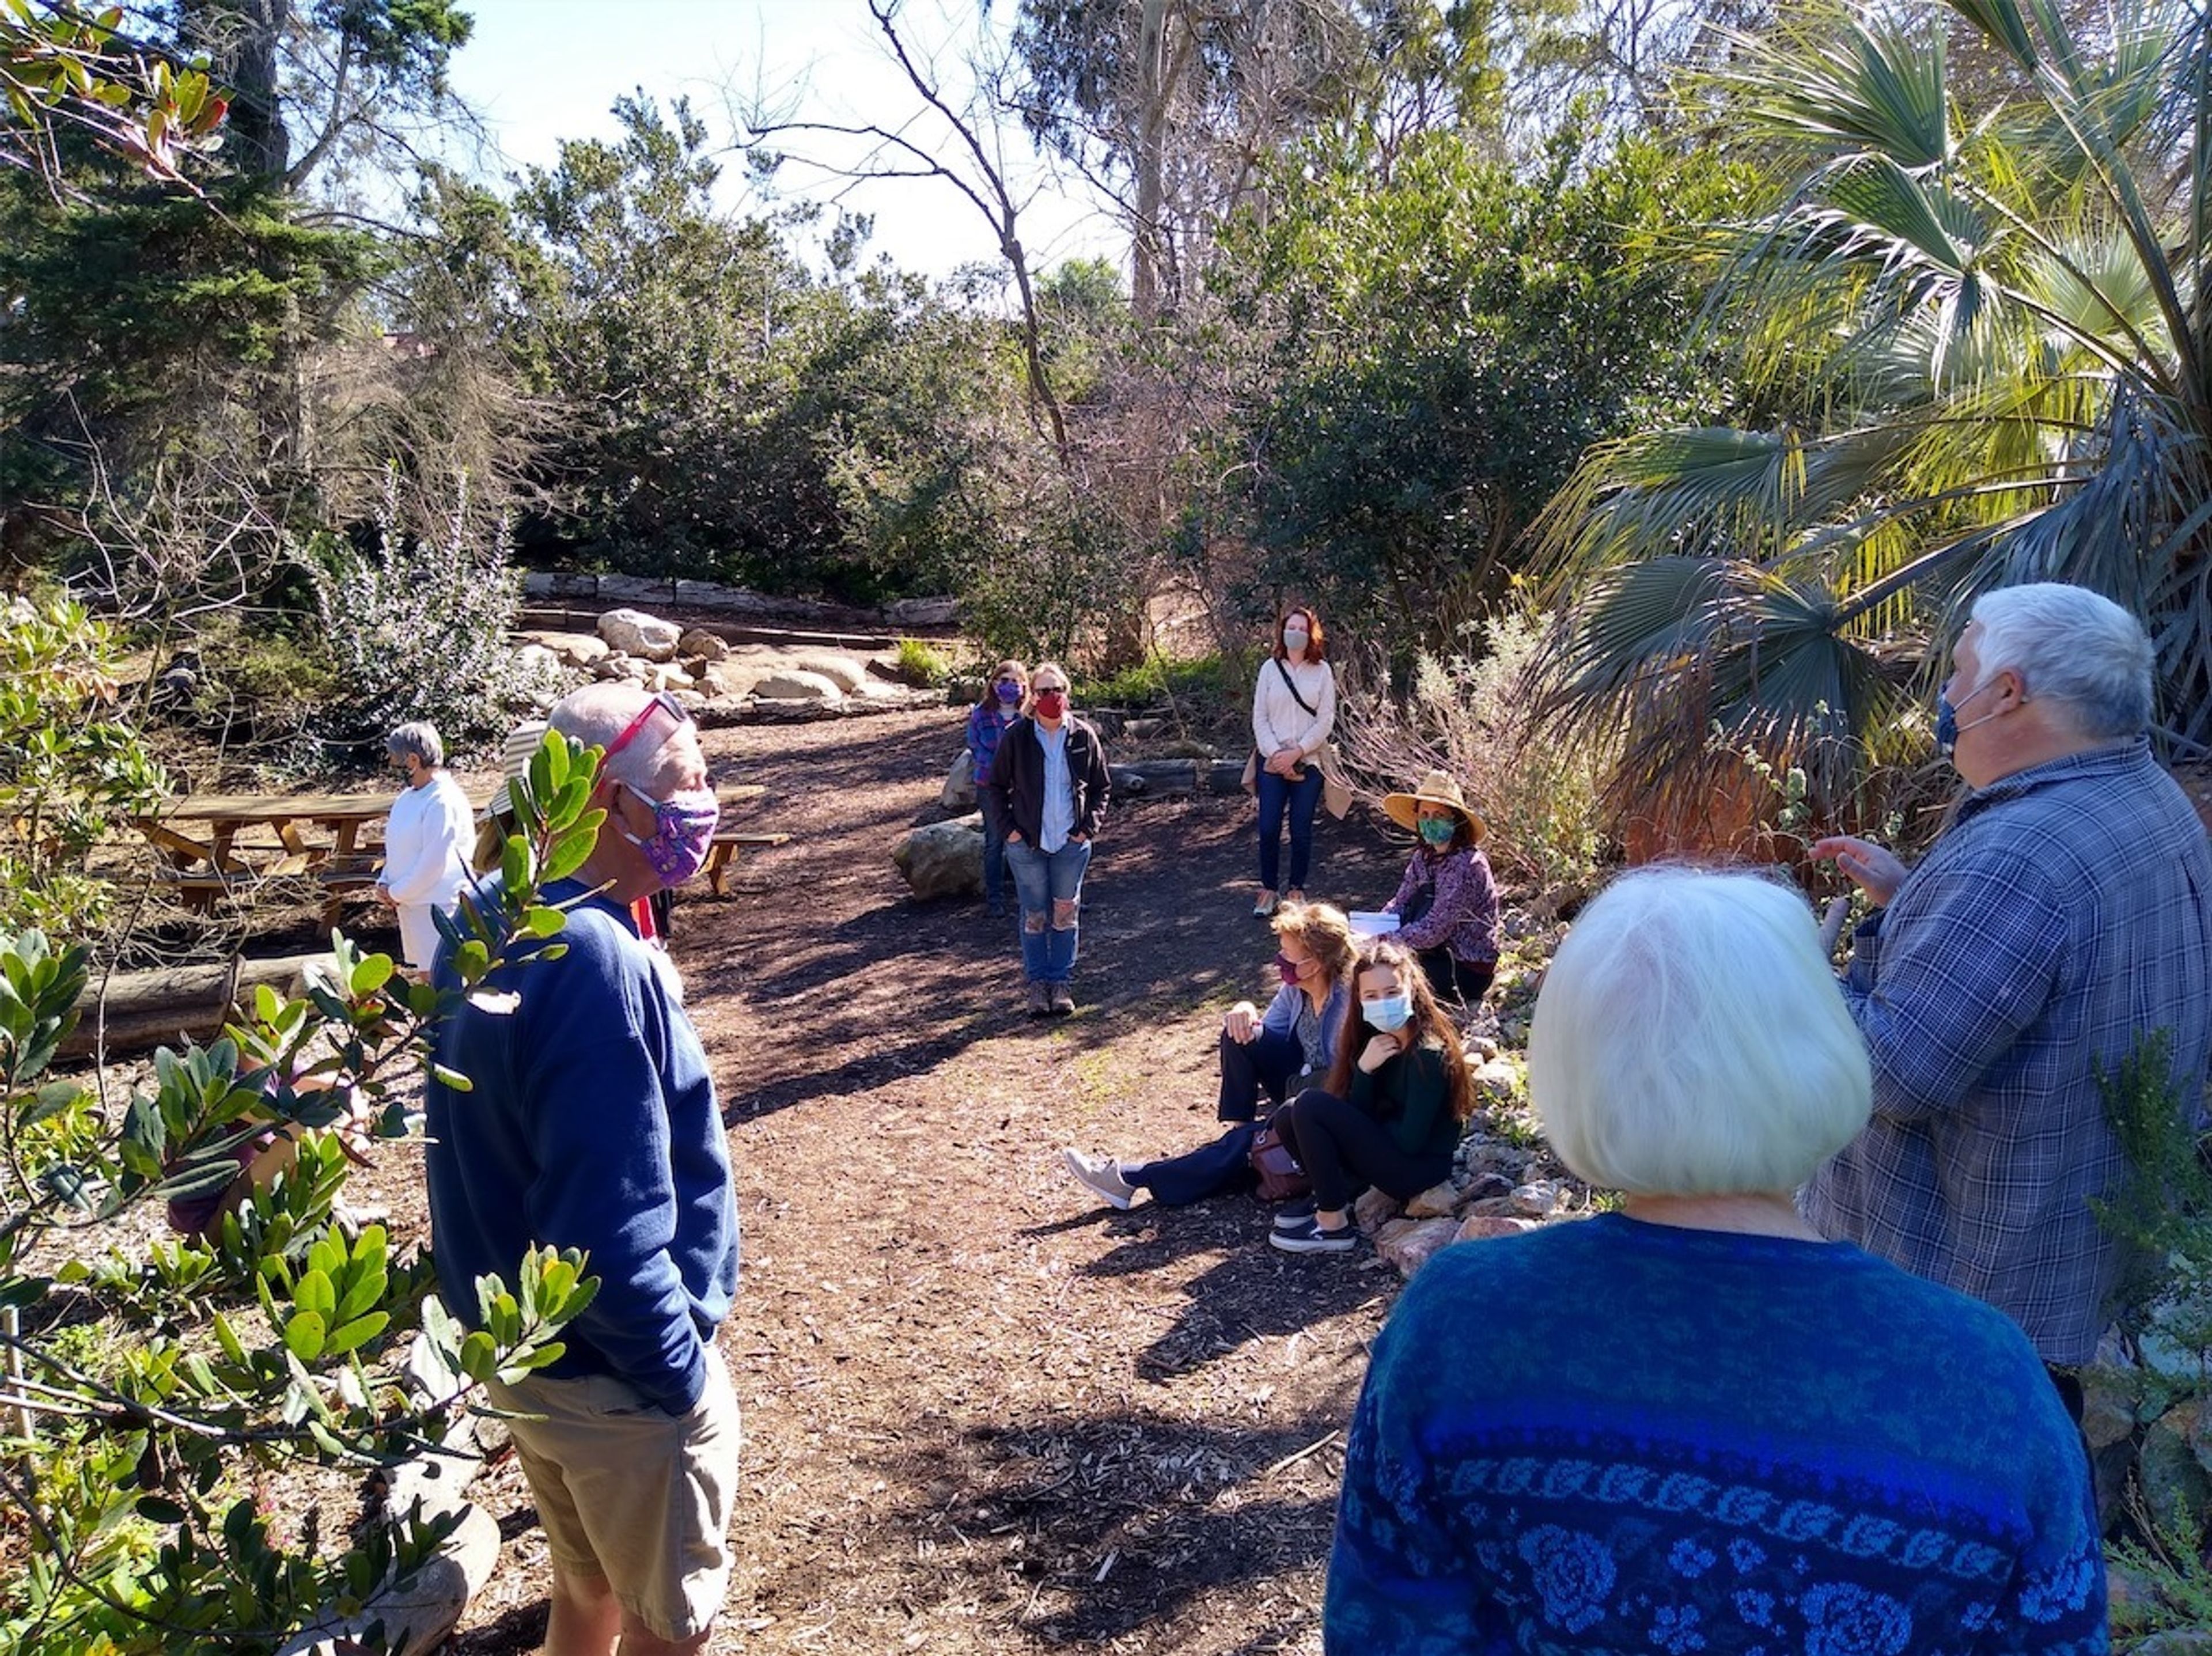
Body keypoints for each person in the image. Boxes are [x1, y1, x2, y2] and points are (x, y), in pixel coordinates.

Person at [1324, 868, 2107, 1653]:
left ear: (1571, 1070)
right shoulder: (1989, 1376)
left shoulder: (1457, 1321)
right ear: (1827, 1050)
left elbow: (1384, 1623)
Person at [1802, 581, 2212, 1393]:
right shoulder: (2149, 794)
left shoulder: (2016, 858)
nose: (1948, 697)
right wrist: (1916, 894)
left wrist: (1793, 970)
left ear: (2006, 692)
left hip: (1966, 1293)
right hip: (2083, 1255)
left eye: (1957, 675)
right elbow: (2058, 960)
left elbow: (1895, 1073)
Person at [422, 684, 738, 1656]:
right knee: (664, 1626)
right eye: (686, 780)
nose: (705, 799)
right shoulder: (594, 957)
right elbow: (605, 1222)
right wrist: (675, 1377)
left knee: (585, 1587)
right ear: (602, 800)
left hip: (529, 1359)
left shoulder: (489, 916)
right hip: (618, 1381)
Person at [1061, 903, 1358, 1210]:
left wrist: (1296, 1102)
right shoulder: (1297, 989)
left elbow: (1343, 1086)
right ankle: (1244, 1129)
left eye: (1286, 954)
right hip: (1300, 1088)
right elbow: (1265, 1033)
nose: (1278, 961)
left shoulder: (1346, 1006)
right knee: (1239, 1033)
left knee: (1242, 1146)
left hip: (1324, 1106)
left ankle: (1131, 1179)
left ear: (1314, 964)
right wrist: (1244, 1009)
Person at [1264, 937, 1472, 1255]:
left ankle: (1333, 1224)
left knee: (1311, 1104)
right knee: (1289, 1114)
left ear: (1412, 991)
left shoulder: (1428, 1055)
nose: (1382, 1003)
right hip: (1388, 1151)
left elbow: (1410, 1142)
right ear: (1359, 1000)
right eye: (1371, 996)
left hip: (1416, 1168)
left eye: (1392, 993)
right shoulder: (1375, 1039)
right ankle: (1335, 1192)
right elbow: (1360, 1109)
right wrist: (1365, 1070)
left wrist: (1360, 1132)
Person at [985, 660, 1111, 1017]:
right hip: (1027, 844)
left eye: (1057, 690)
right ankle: (1037, 984)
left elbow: (1102, 786)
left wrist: (1088, 829)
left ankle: (1061, 982)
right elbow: (994, 786)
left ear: (1067, 694)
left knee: (1065, 912)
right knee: (1035, 914)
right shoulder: (1018, 737)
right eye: (1043, 691)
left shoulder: (1083, 736)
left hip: (1070, 845)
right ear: (1032, 696)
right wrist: (1008, 830)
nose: (1051, 697)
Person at [1375, 769, 1501, 1005]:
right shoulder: (1423, 858)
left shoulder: (1467, 865)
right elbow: (1401, 901)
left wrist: (1387, 939)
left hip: (1464, 967)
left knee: (1385, 977)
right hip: (1434, 952)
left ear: (1456, 821)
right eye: (1425, 814)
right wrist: (1378, 925)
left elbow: (1435, 929)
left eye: (1439, 815)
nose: (1430, 821)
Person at [1251, 605, 1337, 916]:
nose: (1296, 634)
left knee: (1301, 828)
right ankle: (1268, 890)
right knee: (1269, 826)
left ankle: (1297, 889)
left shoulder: (1322, 671)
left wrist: (1298, 752)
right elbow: (1260, 718)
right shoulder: (1269, 670)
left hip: (1309, 762)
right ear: (1282, 631)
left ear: (1311, 634)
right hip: (1271, 763)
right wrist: (1276, 755)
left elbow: (1326, 721)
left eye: (1302, 629)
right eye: (1292, 628)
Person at [376, 721, 477, 973]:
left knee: (444, 980)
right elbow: (399, 845)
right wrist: (384, 882)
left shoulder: (443, 800)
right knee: (425, 977)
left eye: (393, 759)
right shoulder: (407, 798)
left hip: (438, 906)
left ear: (412, 760)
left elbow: (434, 860)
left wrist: (396, 892)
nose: (391, 765)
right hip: (410, 904)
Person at [967, 659, 1029, 919]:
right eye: (1004, 681)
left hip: (1024, 787)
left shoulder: (1028, 715)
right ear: (994, 684)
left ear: (1024, 686)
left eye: (1015, 682)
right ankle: (994, 898)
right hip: (990, 786)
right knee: (995, 842)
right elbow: (976, 747)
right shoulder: (981, 713)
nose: (1010, 686)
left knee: (1027, 839)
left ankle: (1029, 893)